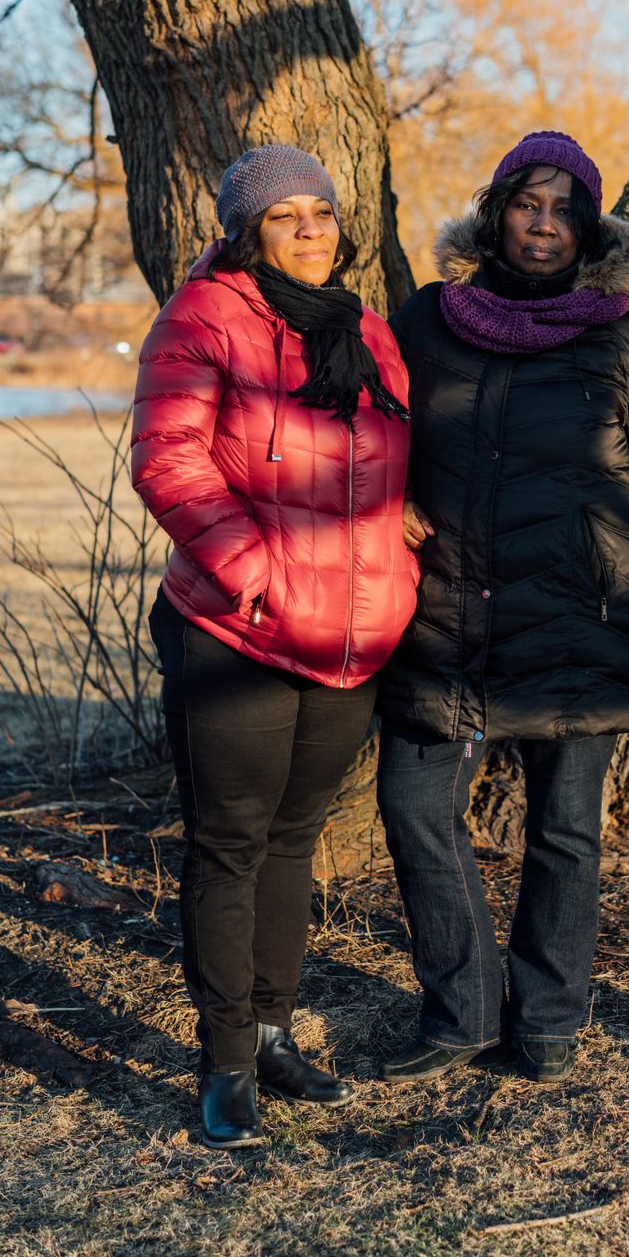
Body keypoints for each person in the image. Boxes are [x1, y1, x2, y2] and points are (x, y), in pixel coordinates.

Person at [132, 145, 418, 1149]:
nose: (311, 228)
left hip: (352, 632)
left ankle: (273, 1031)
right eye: (287, 214)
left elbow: (392, 451)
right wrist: (248, 566)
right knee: (230, 839)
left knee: (294, 839)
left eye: (324, 211)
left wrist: (405, 521)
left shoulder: (367, 329)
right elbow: (168, 456)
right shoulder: (206, 316)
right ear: (248, 229)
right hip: (238, 629)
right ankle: (223, 1061)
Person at [376, 131, 629, 1086]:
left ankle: (546, 1022)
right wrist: (393, 502)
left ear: (587, 227)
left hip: (581, 617)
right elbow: (368, 435)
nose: (541, 224)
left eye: (563, 209)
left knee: (563, 828)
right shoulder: (428, 321)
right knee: (415, 806)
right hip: (445, 612)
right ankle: (460, 1009)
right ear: (496, 210)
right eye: (525, 203)